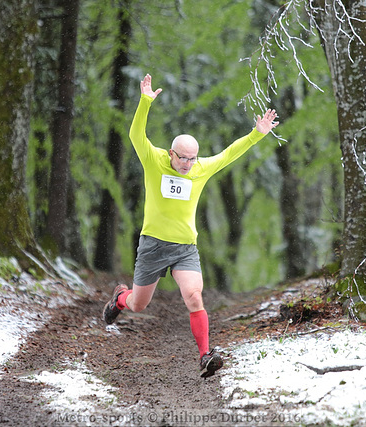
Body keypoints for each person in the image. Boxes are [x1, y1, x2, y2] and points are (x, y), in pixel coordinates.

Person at [103, 73, 279, 378]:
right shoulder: (154, 160)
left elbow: (228, 154)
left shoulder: (200, 169)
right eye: (182, 158)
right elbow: (135, 136)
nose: (187, 164)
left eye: (192, 159)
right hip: (153, 245)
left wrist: (257, 133)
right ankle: (120, 297)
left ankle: (205, 355)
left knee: (195, 296)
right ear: (171, 154)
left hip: (185, 248)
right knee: (138, 305)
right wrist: (145, 102)